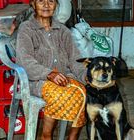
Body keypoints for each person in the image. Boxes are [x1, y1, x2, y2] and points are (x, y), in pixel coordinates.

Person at [16, 0, 87, 139]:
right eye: (41, 1)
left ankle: (72, 137)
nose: (46, 5)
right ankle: (46, 135)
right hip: (37, 80)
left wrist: (86, 76)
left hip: (65, 77)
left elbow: (75, 59)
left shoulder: (63, 31)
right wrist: (48, 74)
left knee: (83, 93)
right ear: (33, 4)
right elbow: (25, 61)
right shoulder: (27, 28)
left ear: (56, 5)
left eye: (51, 1)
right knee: (58, 94)